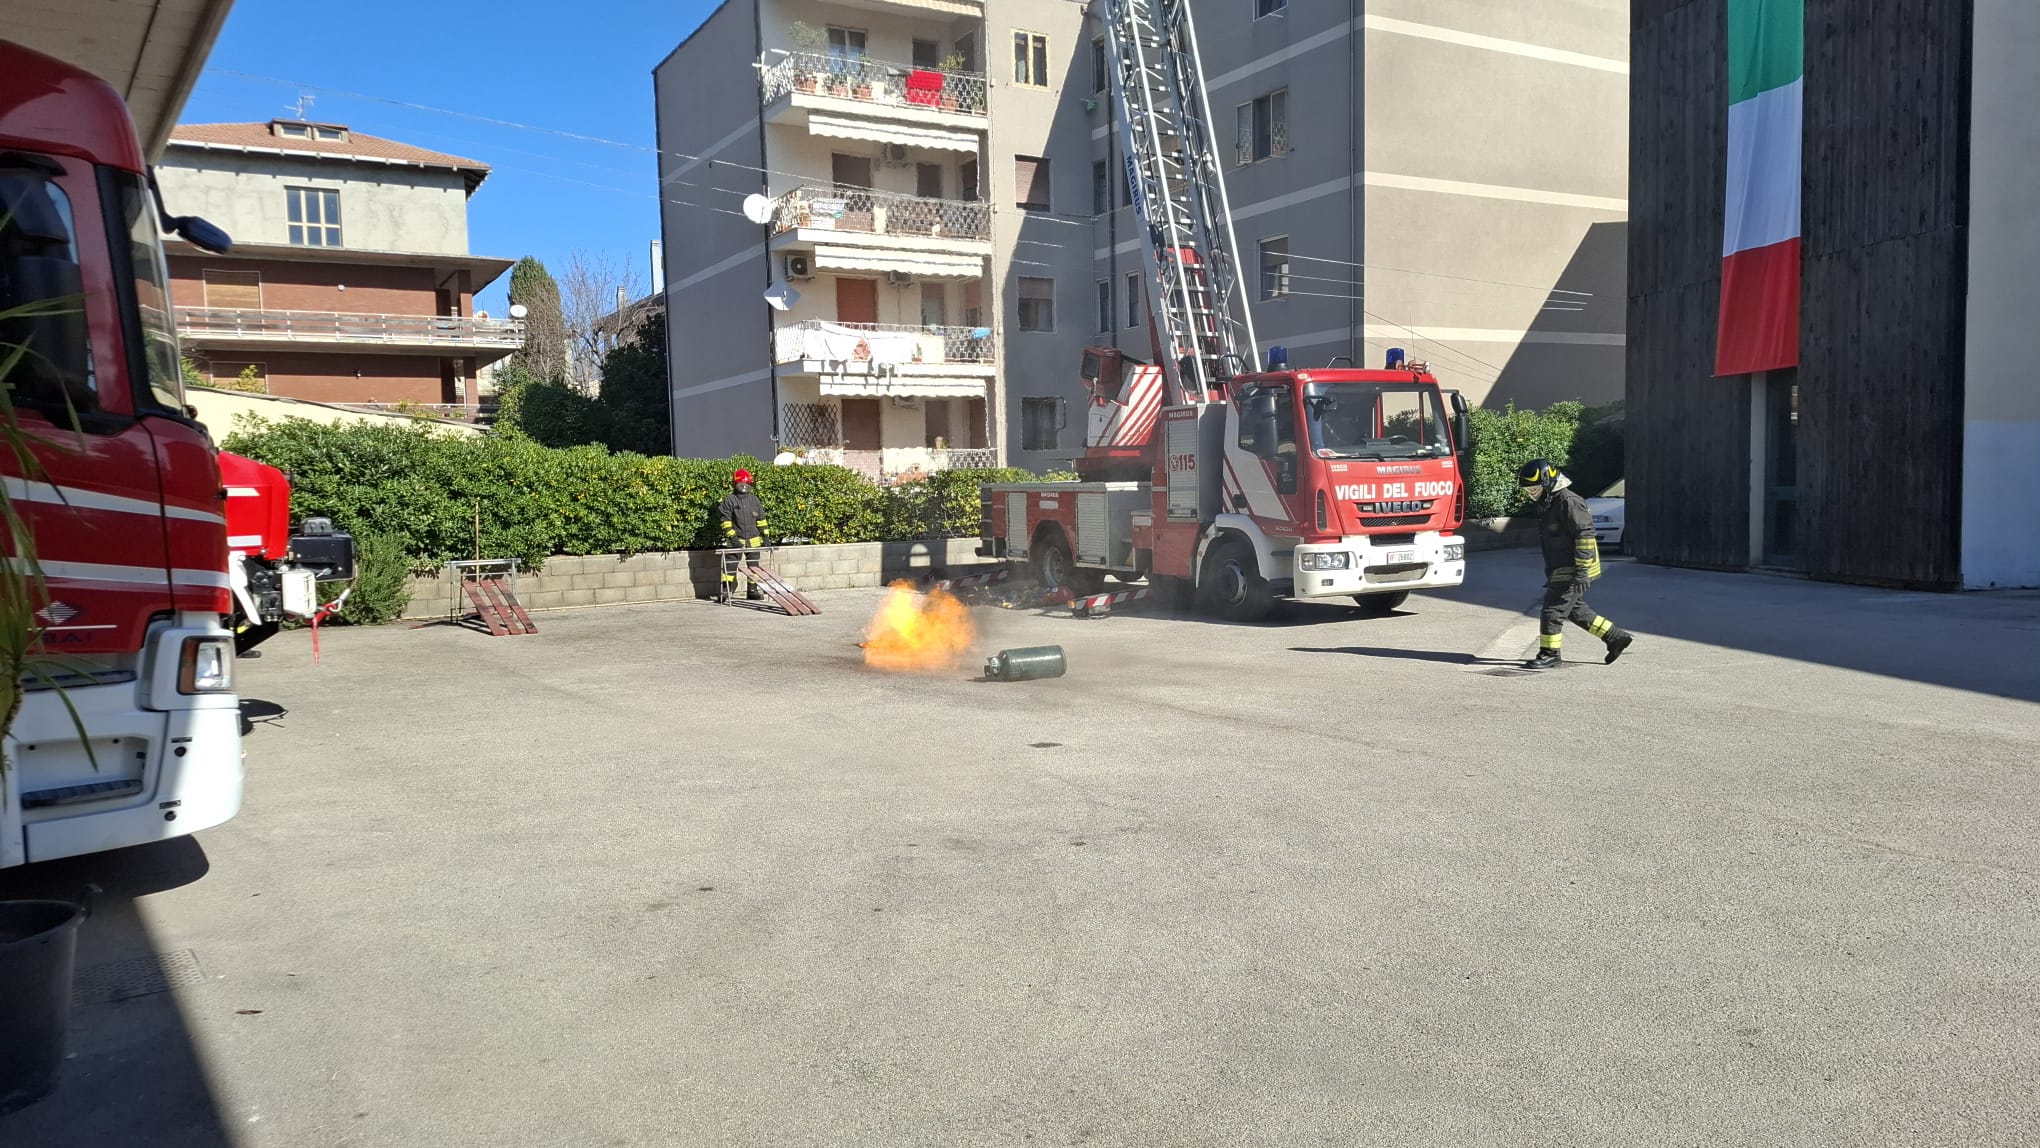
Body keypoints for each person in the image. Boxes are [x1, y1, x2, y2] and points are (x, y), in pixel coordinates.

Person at [1518, 458, 1633, 670]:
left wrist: (1581, 571)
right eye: (1529, 490)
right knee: (1575, 609)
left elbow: (1585, 536)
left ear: (1548, 482)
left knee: (1553, 610)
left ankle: (1550, 654)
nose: (1532, 494)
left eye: (1534, 488)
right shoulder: (1551, 501)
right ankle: (1615, 637)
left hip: (1573, 567)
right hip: (1562, 566)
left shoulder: (1568, 501)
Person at [718, 469, 770, 601]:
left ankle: (752, 591)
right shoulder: (730, 500)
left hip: (754, 540)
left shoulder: (754, 500)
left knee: (754, 567)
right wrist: (733, 538)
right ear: (735, 484)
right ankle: (725, 591)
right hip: (735, 540)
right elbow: (725, 521)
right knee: (730, 566)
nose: (745, 486)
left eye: (747, 483)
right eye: (741, 483)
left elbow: (761, 519)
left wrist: (766, 536)